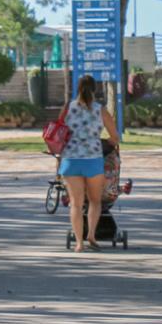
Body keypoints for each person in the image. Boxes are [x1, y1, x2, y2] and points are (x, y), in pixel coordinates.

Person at [61, 74, 120, 252]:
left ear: (77, 88)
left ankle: (78, 244)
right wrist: (108, 141)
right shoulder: (100, 110)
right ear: (95, 89)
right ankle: (91, 235)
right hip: (93, 159)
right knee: (95, 201)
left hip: (71, 160)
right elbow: (115, 137)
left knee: (76, 204)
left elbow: (60, 131)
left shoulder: (67, 108)